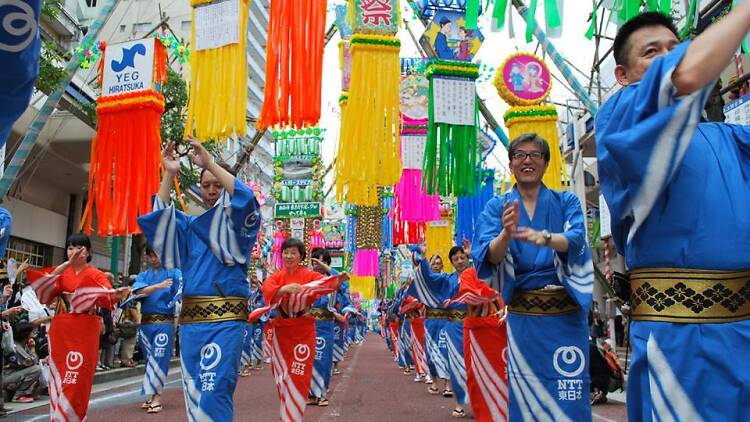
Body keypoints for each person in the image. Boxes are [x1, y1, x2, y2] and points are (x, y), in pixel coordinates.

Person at [594, 7, 750, 421]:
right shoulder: (620, 117)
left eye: (674, 47)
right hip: (677, 341)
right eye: (651, 52)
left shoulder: (732, 137)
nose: (667, 56)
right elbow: (687, 76)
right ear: (623, 74)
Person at [137, 138, 261, 422]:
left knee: (215, 389)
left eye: (217, 184)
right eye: (205, 185)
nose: (211, 191)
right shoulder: (192, 226)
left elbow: (247, 203)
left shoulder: (235, 229)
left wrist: (210, 165)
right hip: (192, 324)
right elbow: (160, 221)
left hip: (226, 321)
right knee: (195, 390)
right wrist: (168, 173)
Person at [472, 133, 594, 420]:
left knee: (569, 387)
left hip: (566, 315)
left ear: (546, 163)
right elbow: (488, 255)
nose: (527, 160)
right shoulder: (496, 207)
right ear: (512, 165)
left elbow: (576, 239)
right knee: (526, 391)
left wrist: (546, 238)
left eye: (535, 155)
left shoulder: (566, 201)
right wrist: (505, 234)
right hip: (524, 317)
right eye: (520, 155)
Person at [27, 233, 130, 420]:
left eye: (79, 248)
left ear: (89, 251)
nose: (74, 252)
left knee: (77, 377)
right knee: (59, 375)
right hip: (61, 329)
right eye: (70, 248)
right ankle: (58, 417)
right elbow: (43, 284)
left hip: (85, 330)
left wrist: (117, 294)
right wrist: (66, 265)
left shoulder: (95, 274)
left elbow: (107, 293)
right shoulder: (62, 272)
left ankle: (71, 417)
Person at [258, 238, 345, 420]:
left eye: (293, 253)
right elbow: (267, 289)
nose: (289, 256)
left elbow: (329, 283)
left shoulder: (308, 275)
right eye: (286, 252)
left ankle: (294, 415)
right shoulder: (276, 277)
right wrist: (283, 289)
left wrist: (338, 278)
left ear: (301, 256)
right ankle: (288, 411)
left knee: (299, 373)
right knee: (282, 375)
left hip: (304, 330)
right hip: (282, 330)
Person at [407, 243, 471, 418]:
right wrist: (424, 256)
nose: (459, 261)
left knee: (474, 365)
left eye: (462, 257)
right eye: (455, 258)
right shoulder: (446, 279)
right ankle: (460, 402)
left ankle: (478, 402)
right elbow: (427, 277)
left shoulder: (477, 275)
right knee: (457, 364)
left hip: (475, 326)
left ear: (467, 259)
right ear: (451, 262)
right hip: (453, 326)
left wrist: (474, 254)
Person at [132, 247, 182, 414]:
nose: (154, 259)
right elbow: (138, 291)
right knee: (149, 361)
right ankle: (151, 395)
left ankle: (157, 398)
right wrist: (158, 286)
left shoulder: (174, 273)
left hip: (164, 322)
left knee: (159, 359)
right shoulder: (143, 275)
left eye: (157, 255)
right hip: (146, 324)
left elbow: (181, 290)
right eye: (150, 255)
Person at [307, 248, 338, 407]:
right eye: (315, 262)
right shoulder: (307, 280)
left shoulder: (332, 280)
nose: (317, 265)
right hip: (308, 324)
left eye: (321, 262)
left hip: (325, 325)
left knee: (323, 359)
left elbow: (342, 280)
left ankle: (322, 393)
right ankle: (311, 394)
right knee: (309, 359)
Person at [3, 322, 41, 403]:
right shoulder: (15, 346)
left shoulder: (24, 344)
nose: (34, 333)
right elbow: (31, 362)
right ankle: (18, 395)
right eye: (32, 331)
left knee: (37, 368)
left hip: (13, 374)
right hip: (6, 376)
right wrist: (32, 349)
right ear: (25, 334)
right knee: (36, 369)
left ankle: (25, 393)